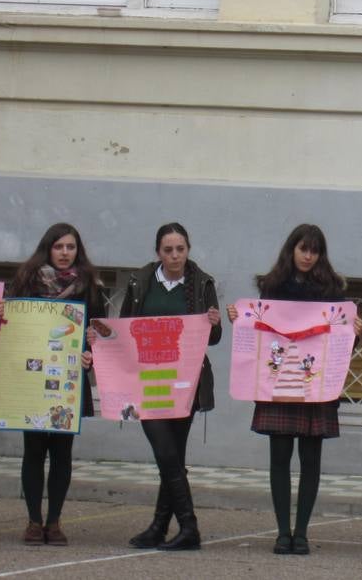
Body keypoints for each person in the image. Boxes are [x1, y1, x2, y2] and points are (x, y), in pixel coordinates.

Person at [225, 223, 356, 557]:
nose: (309, 256)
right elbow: (258, 334)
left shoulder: (332, 290)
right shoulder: (273, 286)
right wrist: (237, 318)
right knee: (279, 458)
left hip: (313, 385)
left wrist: (357, 331)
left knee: (311, 460)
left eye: (315, 250)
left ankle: (303, 533)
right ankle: (282, 532)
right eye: (303, 248)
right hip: (279, 383)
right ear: (291, 249)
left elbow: (341, 344)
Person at [118, 223, 222, 551]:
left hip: (185, 383)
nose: (175, 256)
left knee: (172, 455)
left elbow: (213, 339)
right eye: (168, 250)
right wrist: (100, 337)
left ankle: (161, 525)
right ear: (158, 252)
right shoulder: (141, 281)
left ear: (188, 249)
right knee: (165, 452)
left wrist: (215, 324)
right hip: (147, 380)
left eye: (180, 249)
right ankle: (188, 527)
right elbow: (122, 329)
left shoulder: (202, 283)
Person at [4, 223, 107, 546]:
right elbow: (7, 326)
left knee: (62, 452)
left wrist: (92, 351)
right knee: (33, 449)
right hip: (32, 379)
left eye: (71, 247)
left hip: (69, 380)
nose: (65, 253)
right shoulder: (26, 282)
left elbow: (102, 331)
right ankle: (34, 522)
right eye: (59, 247)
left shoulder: (89, 286)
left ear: (79, 251)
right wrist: (0, 312)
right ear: (48, 248)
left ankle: (55, 521)